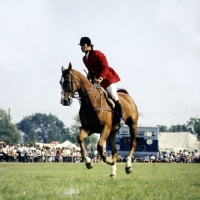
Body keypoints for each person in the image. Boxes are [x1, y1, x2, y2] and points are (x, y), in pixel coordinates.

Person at [78, 37, 124, 127]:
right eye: (81, 45)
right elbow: (91, 70)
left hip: (106, 79)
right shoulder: (84, 58)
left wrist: (101, 78)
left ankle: (121, 118)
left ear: (89, 46)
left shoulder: (98, 54)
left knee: (114, 95)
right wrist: (89, 76)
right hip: (96, 81)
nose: (82, 47)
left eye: (83, 45)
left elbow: (105, 67)